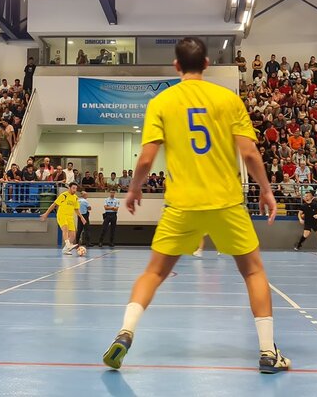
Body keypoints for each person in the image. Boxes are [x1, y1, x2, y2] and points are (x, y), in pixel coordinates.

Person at [101, 37, 289, 374]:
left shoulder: (161, 101)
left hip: (181, 204)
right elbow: (248, 152)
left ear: (176, 66)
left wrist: (133, 190)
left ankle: (125, 331)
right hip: (226, 202)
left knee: (154, 272)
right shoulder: (228, 99)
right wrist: (266, 190)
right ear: (206, 64)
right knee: (253, 271)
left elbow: (146, 158)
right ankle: (266, 352)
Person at [39, 182, 87, 254]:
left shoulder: (75, 198)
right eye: (73, 188)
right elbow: (54, 205)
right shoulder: (63, 195)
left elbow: (76, 209)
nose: (75, 190)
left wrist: (82, 217)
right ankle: (68, 245)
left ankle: (65, 249)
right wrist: (46, 214)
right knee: (65, 229)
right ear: (69, 188)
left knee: (73, 235)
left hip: (70, 216)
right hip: (62, 215)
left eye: (76, 189)